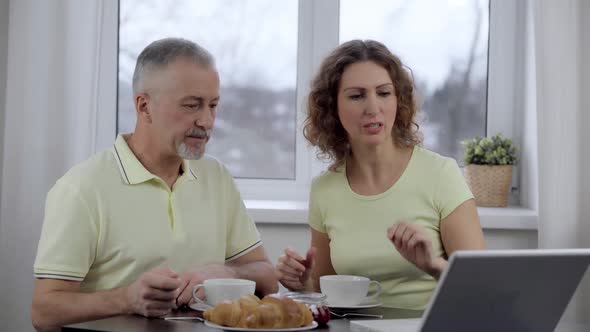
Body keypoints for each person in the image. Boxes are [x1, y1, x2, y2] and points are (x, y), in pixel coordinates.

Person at [31, 38, 278, 332]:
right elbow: (44, 313)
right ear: (144, 106)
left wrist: (222, 272)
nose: (207, 120)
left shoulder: (217, 177)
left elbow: (267, 277)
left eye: (213, 105)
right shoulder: (81, 188)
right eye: (192, 105)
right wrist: (127, 299)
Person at [274, 40, 485, 310]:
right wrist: (304, 285)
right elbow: (327, 291)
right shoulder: (324, 190)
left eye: (384, 93)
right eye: (357, 95)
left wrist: (434, 265)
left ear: (398, 99)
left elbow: (480, 287)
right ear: (332, 108)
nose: (373, 107)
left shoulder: (441, 174)